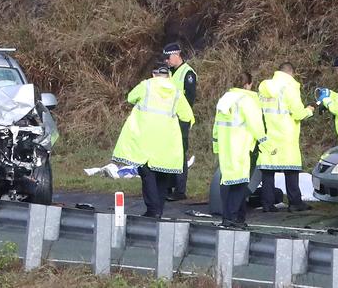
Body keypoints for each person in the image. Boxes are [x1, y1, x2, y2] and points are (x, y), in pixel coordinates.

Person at [111, 64, 195, 218]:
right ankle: (159, 210)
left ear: (153, 74)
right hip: (166, 142)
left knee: (147, 174)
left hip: (146, 140)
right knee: (162, 175)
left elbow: (130, 98)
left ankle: (152, 210)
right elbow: (187, 115)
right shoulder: (176, 91)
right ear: (168, 75)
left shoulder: (146, 86)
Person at [213, 72, 274, 228]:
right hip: (241, 146)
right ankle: (232, 218)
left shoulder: (225, 99)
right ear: (248, 84)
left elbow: (216, 126)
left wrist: (216, 146)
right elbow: (256, 125)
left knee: (227, 182)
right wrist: (268, 146)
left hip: (226, 148)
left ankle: (235, 217)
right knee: (240, 184)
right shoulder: (247, 101)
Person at [256, 62, 314, 213]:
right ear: (291, 73)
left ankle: (267, 204)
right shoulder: (290, 87)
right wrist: (309, 109)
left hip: (268, 132)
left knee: (268, 171)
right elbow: (298, 113)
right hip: (286, 134)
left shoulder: (265, 87)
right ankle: (295, 202)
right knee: (291, 169)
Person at [163, 41, 197, 202]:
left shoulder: (188, 73)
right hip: (169, 119)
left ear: (177, 55)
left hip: (181, 119)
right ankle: (168, 187)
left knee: (180, 154)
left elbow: (189, 100)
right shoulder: (170, 72)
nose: (166, 61)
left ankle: (180, 190)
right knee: (168, 152)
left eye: (168, 57)